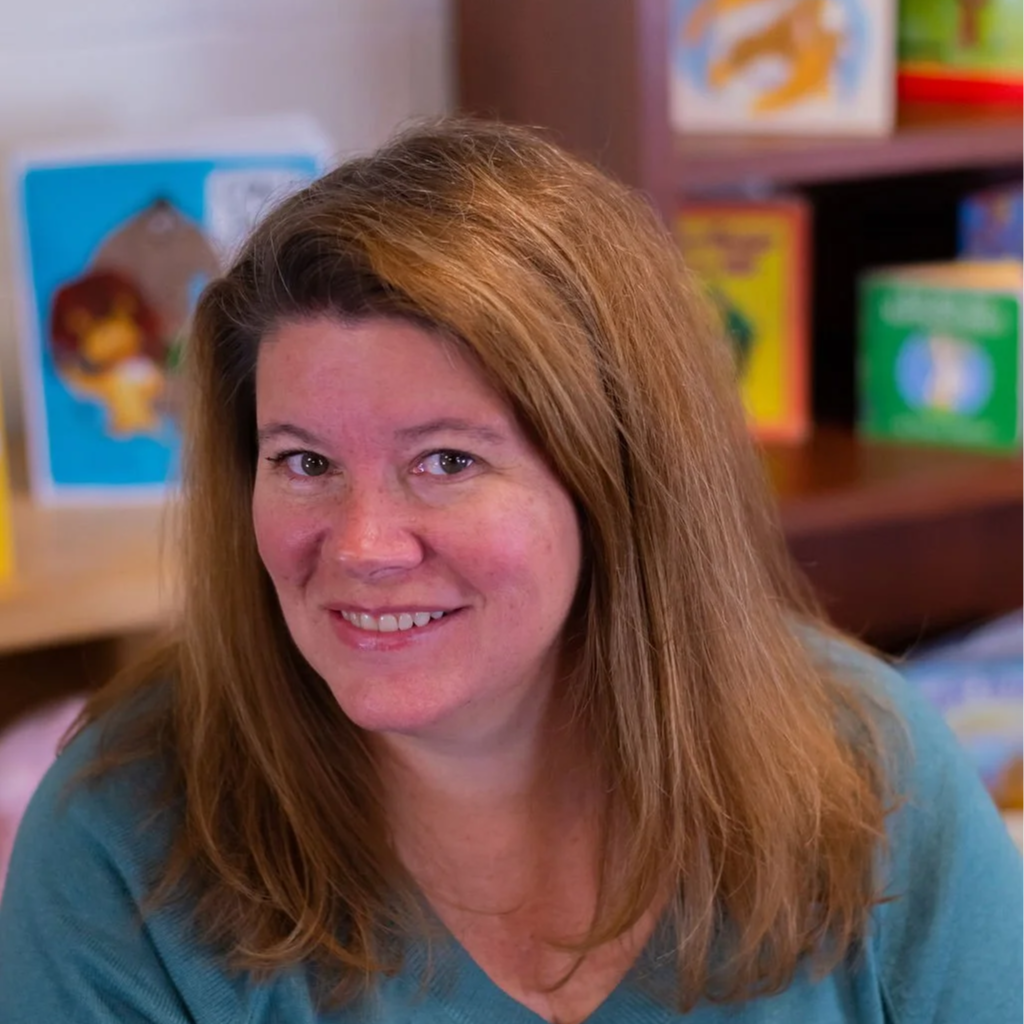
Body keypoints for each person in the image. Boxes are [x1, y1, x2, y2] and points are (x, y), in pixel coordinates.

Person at [0, 118, 1021, 1024]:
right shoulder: (117, 838)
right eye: (304, 462)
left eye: (446, 461)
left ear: (613, 482)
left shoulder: (871, 771)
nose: (361, 543)